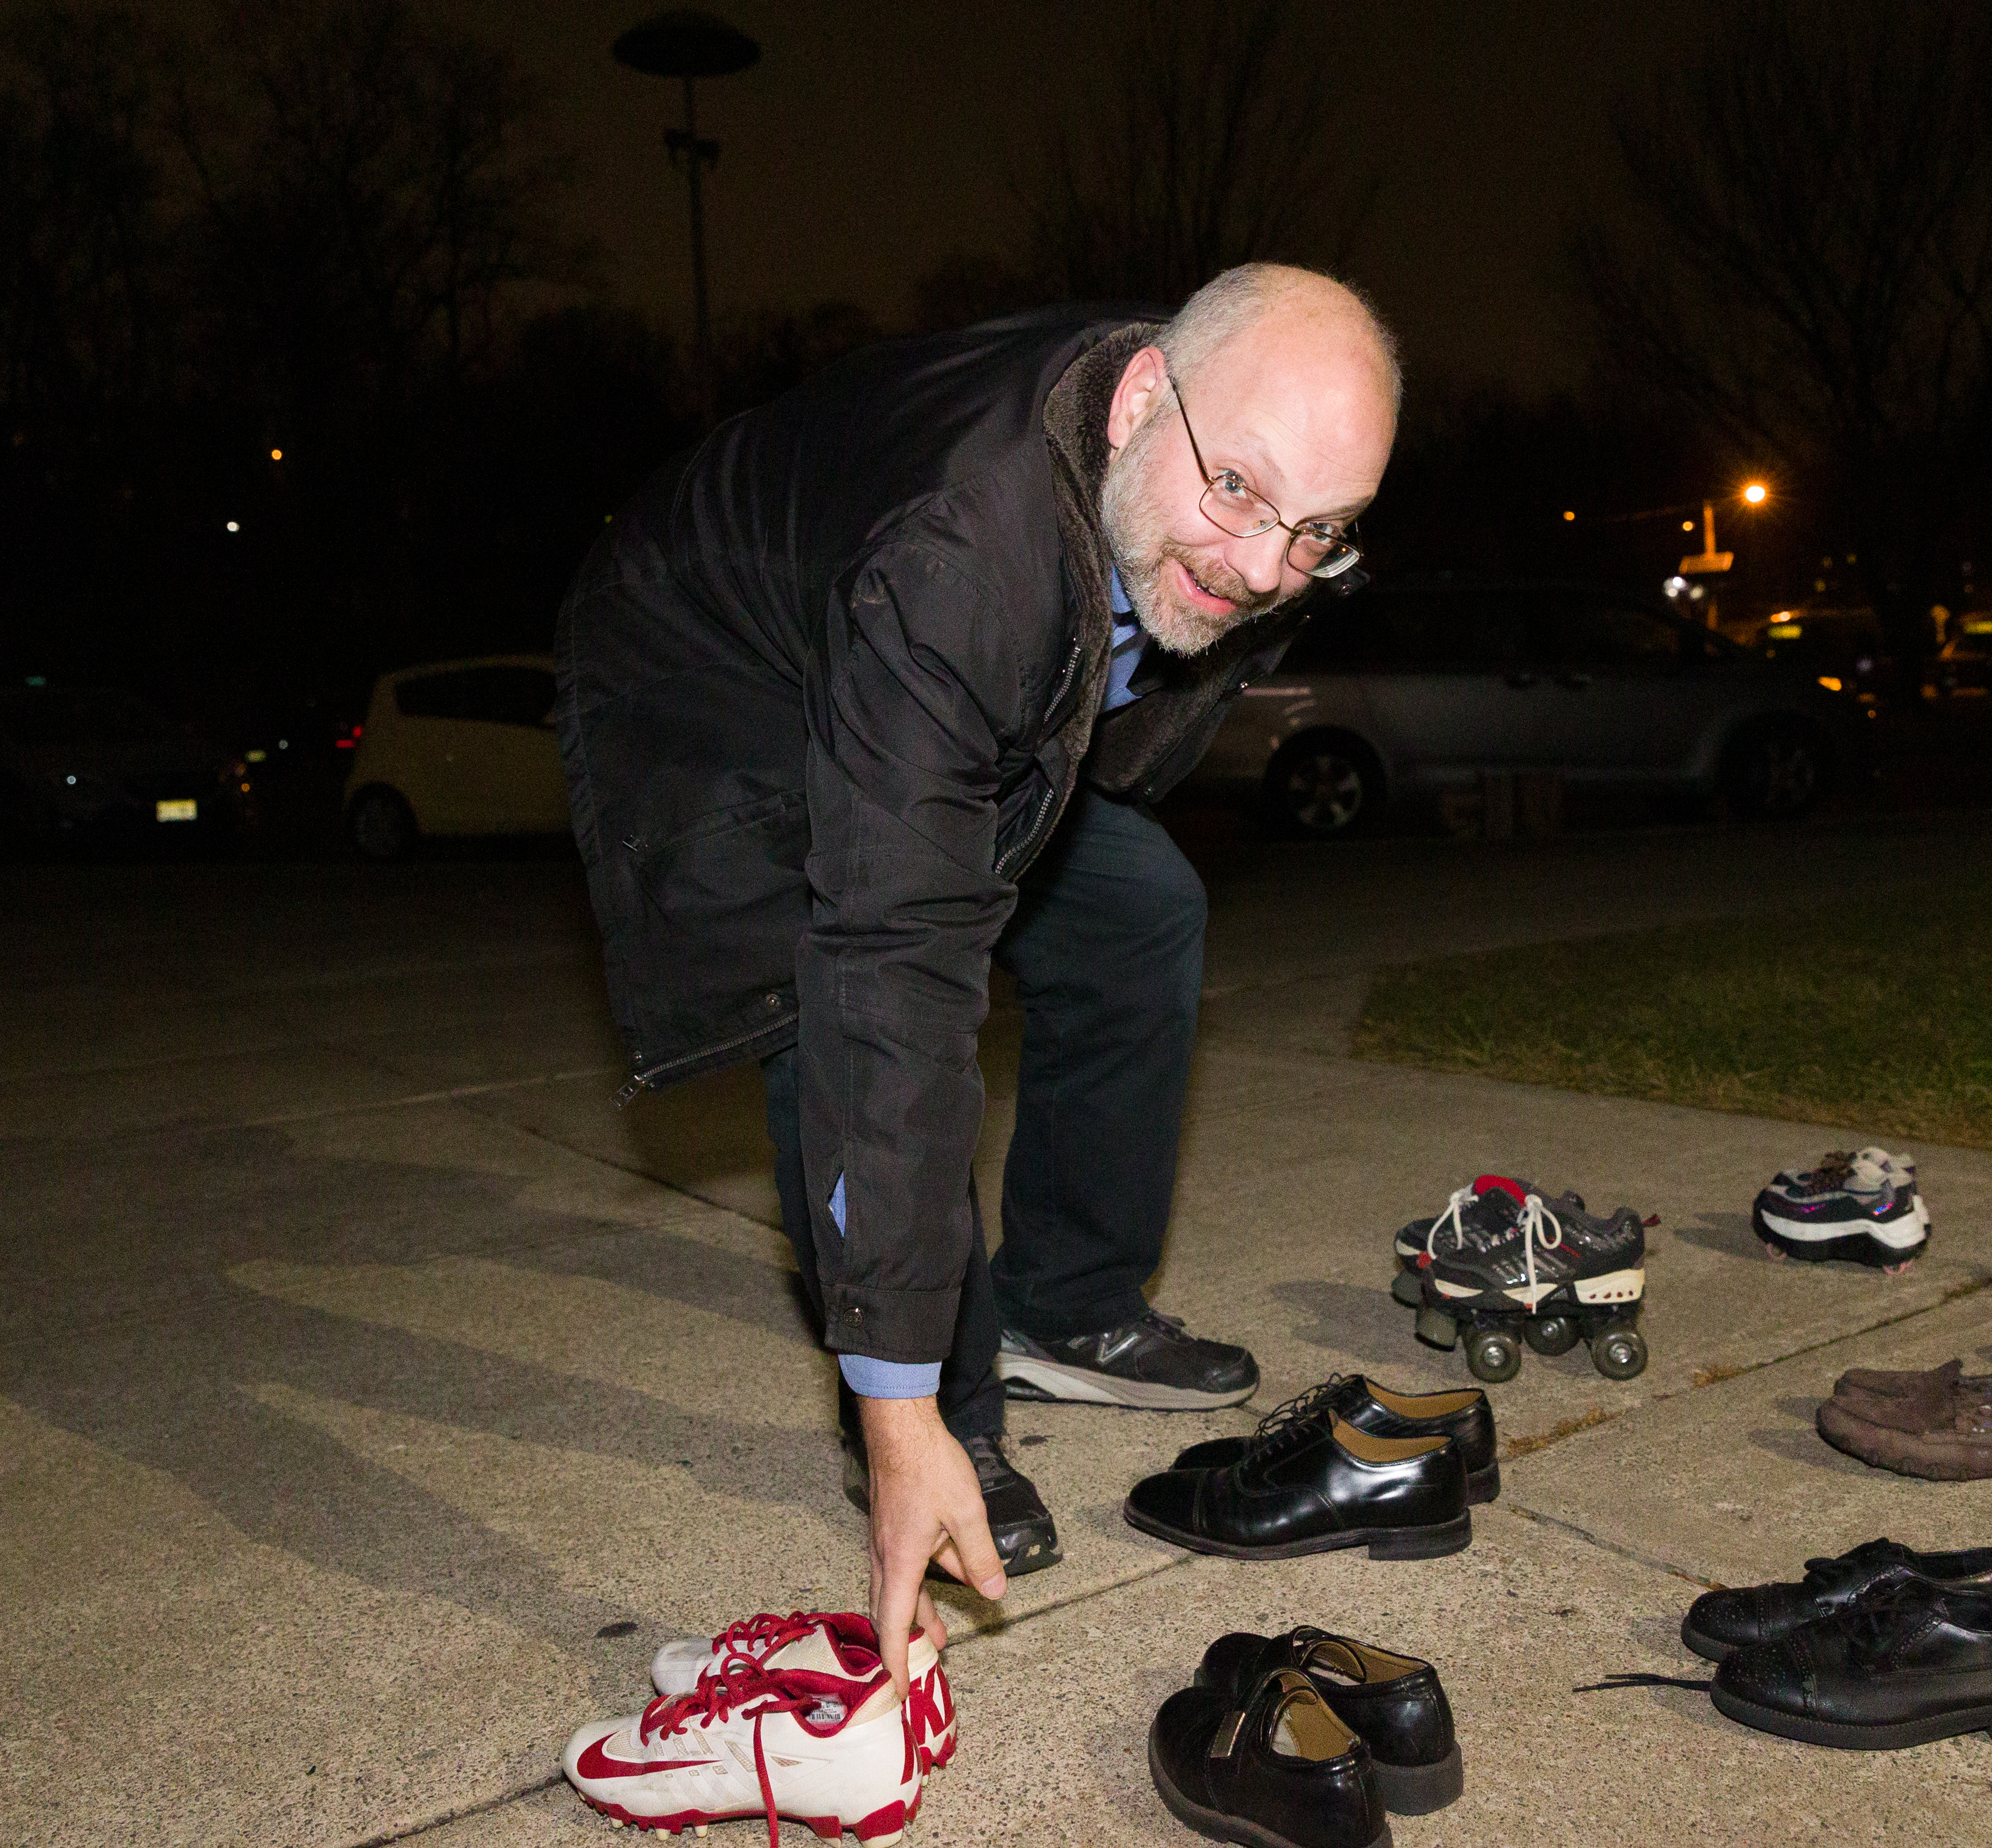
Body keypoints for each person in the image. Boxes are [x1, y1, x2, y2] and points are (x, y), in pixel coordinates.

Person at [556, 264, 1401, 1689]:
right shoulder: (960, 558)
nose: (1266, 566)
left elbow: (1122, 699)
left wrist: (1228, 559)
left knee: (1141, 915)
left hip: (918, 618)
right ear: (1143, 400)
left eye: (1318, 530)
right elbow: (892, 976)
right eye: (1243, 496)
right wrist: (897, 1416)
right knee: (843, 989)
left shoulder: (1210, 449)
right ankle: (944, 1396)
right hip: (715, 666)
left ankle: (1070, 1298)